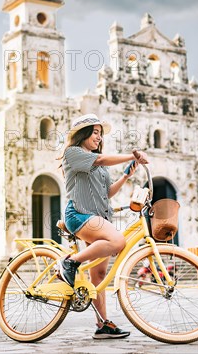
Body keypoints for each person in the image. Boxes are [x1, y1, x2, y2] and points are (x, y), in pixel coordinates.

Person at [56, 113, 149, 339]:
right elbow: (100, 159)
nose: (99, 137)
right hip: (80, 214)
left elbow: (108, 193)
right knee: (117, 241)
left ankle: (102, 325)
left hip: (99, 219)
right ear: (83, 134)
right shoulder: (73, 153)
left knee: (98, 275)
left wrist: (126, 177)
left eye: (100, 133)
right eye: (95, 132)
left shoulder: (101, 166)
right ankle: (69, 263)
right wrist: (131, 155)